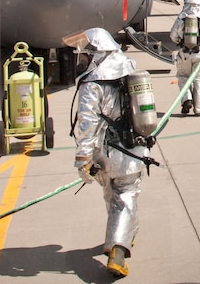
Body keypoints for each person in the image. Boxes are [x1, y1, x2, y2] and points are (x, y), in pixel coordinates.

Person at [64, 27, 146, 278]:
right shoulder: (130, 68)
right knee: (123, 195)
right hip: (132, 147)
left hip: (106, 151)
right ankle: (120, 241)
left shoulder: (92, 83)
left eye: (87, 54)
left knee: (118, 196)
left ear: (98, 54)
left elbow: (86, 124)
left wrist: (82, 159)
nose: (84, 58)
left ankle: (118, 251)